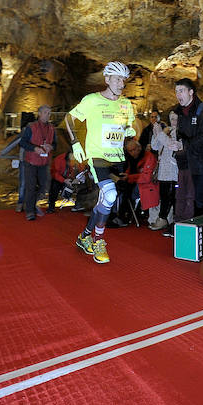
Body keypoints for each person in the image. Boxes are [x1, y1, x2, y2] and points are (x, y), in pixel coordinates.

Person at [65, 61, 137, 264]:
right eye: (117, 79)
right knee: (110, 195)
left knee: (105, 200)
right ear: (107, 79)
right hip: (98, 157)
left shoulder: (126, 104)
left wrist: (130, 131)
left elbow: (128, 126)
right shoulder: (92, 100)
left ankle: (85, 236)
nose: (121, 84)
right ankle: (98, 240)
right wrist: (76, 144)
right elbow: (70, 119)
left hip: (118, 159)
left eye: (123, 80)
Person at [173, 78, 203, 220]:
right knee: (190, 196)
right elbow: (182, 135)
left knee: (201, 198)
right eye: (176, 92)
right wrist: (178, 143)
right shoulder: (180, 112)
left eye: (181, 91)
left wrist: (183, 145)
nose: (178, 95)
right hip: (188, 163)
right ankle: (195, 231)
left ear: (191, 92)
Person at [19, 105, 55, 221]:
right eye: (45, 112)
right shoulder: (31, 127)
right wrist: (34, 148)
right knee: (31, 186)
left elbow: (55, 143)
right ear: (39, 113)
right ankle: (30, 211)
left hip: (44, 162)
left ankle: (31, 204)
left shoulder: (52, 128)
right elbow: (23, 142)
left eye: (49, 113)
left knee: (44, 186)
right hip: (31, 161)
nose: (48, 115)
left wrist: (51, 146)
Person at [151, 111, 181, 230]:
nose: (174, 122)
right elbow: (155, 146)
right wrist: (156, 133)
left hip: (174, 169)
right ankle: (163, 218)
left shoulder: (180, 132)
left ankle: (173, 220)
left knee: (173, 196)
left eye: (176, 119)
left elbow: (171, 144)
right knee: (164, 195)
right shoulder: (168, 130)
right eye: (172, 119)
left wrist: (161, 134)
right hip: (164, 169)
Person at [119, 138, 159, 224]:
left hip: (146, 185)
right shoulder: (130, 159)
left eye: (134, 149)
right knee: (119, 188)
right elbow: (130, 170)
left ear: (139, 147)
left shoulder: (149, 156)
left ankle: (123, 215)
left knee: (126, 191)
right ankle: (119, 215)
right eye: (130, 151)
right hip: (135, 183)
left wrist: (129, 177)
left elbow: (147, 177)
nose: (133, 152)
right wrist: (126, 176)